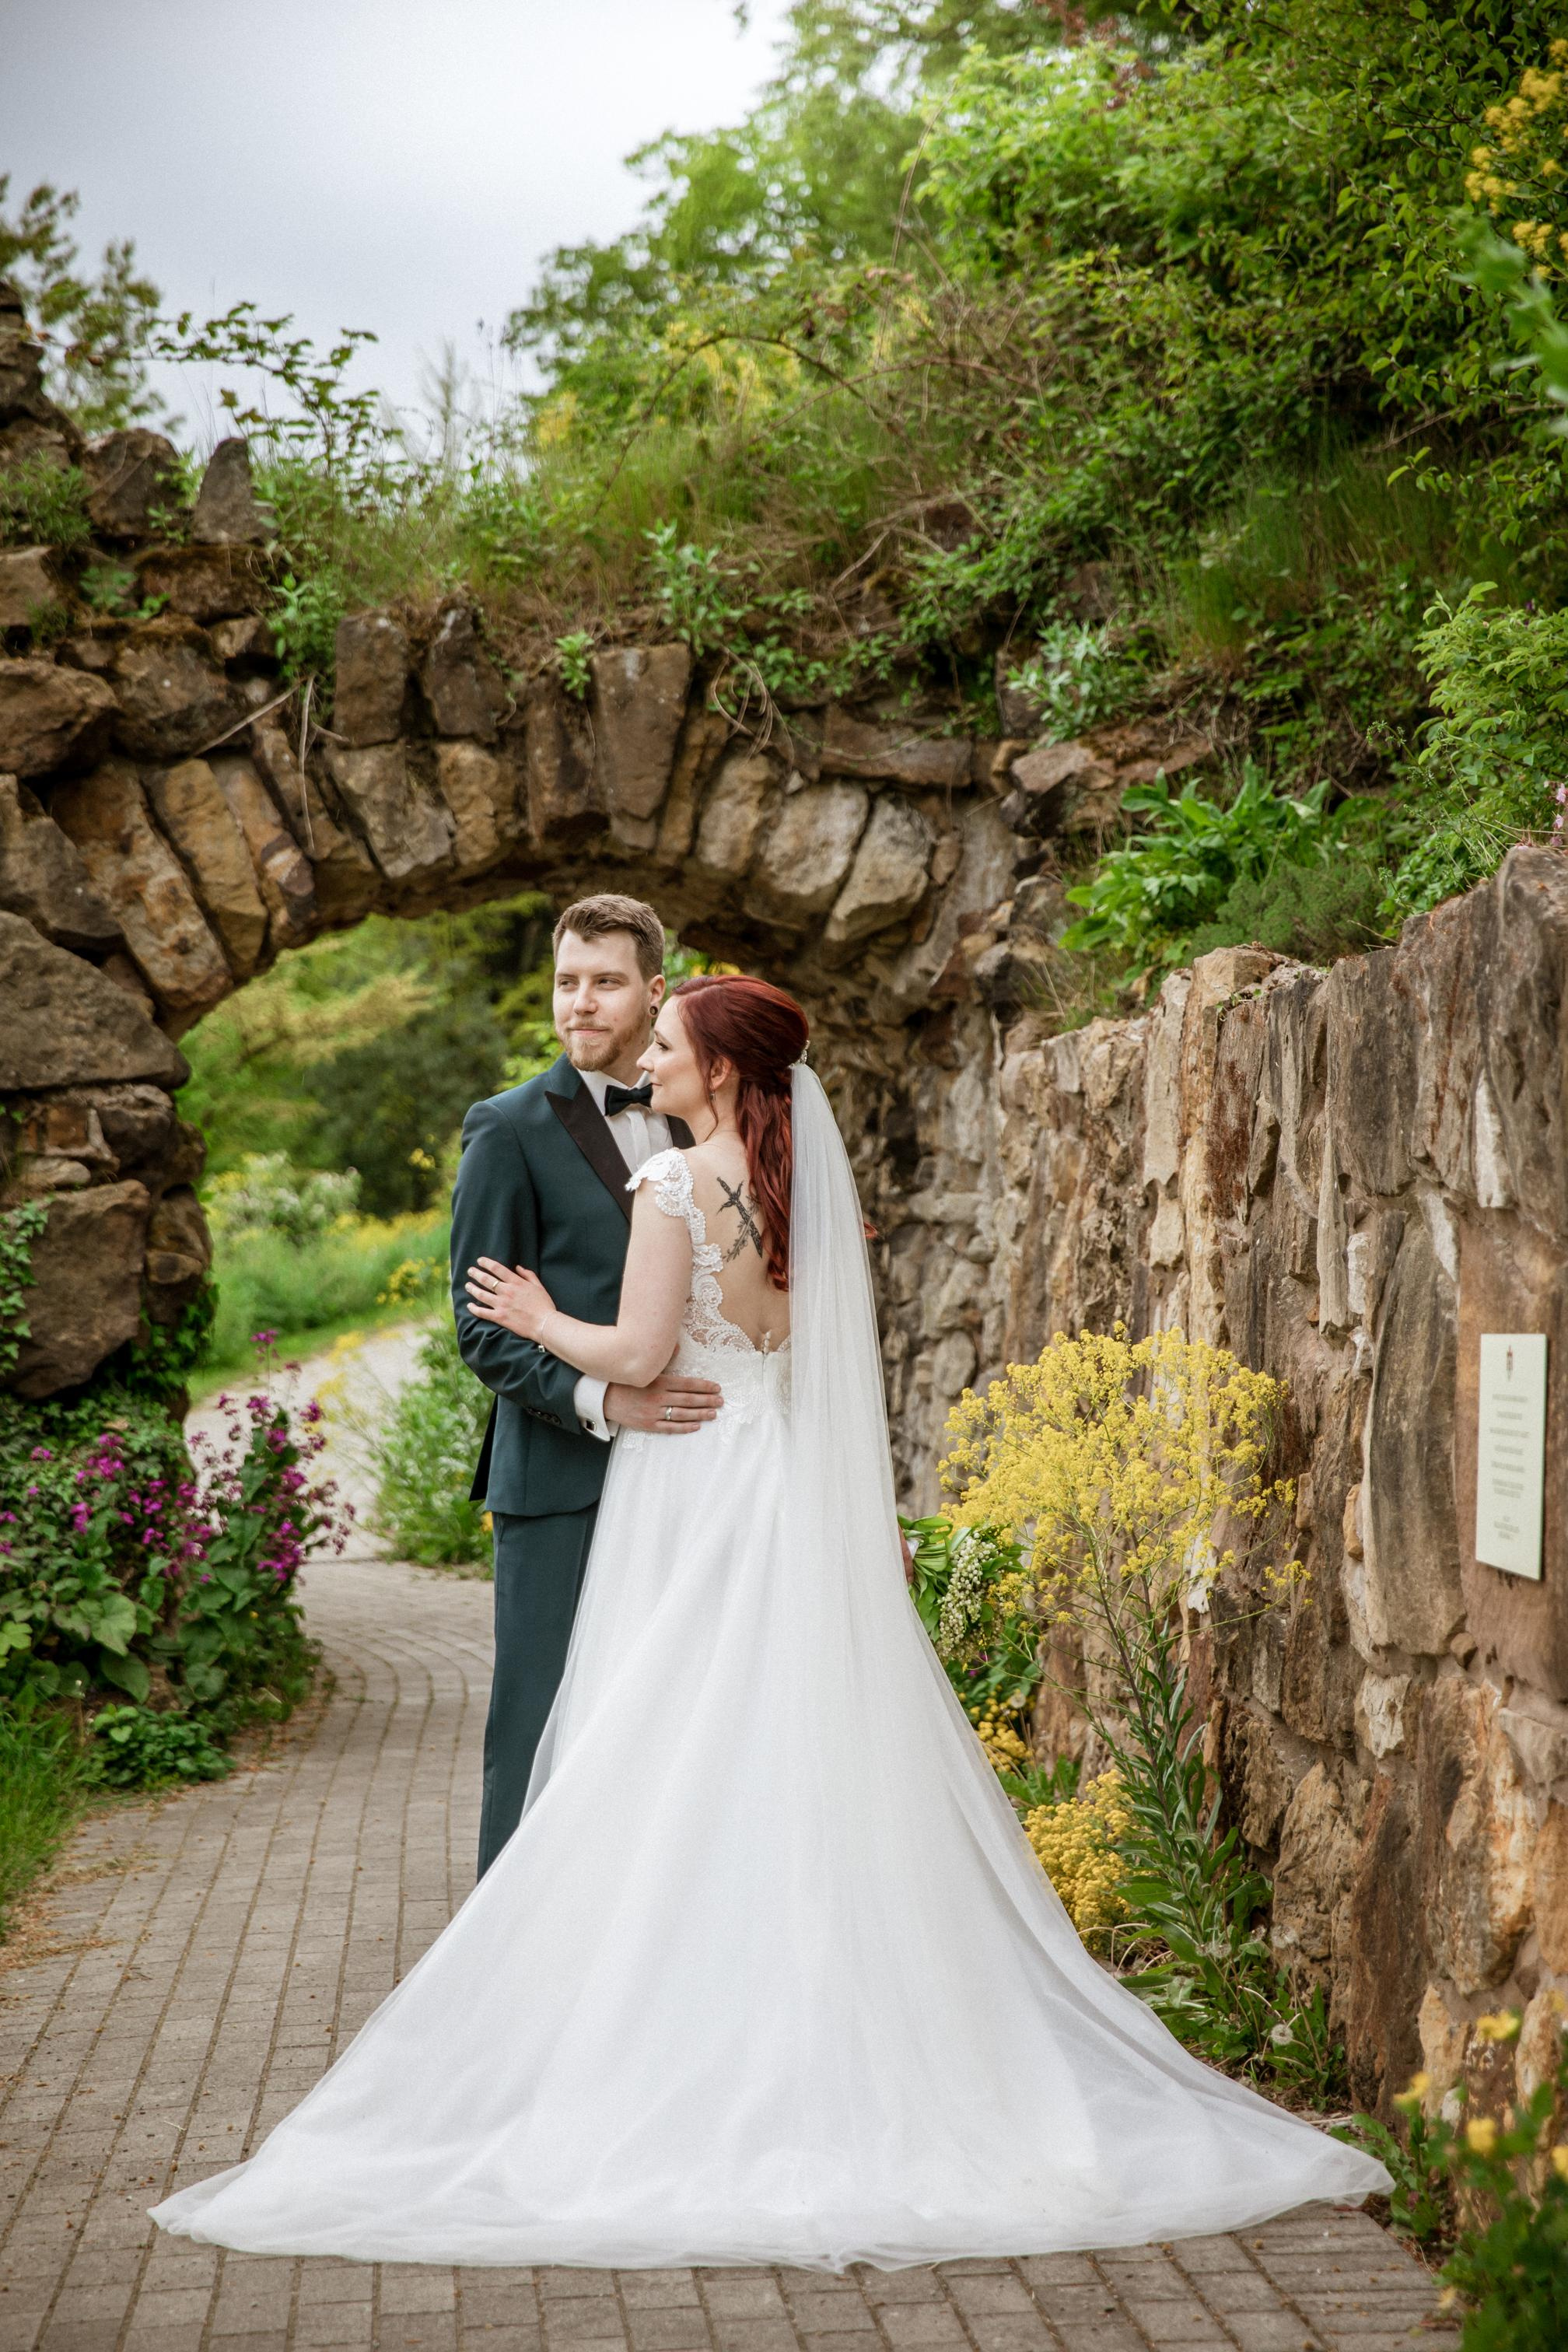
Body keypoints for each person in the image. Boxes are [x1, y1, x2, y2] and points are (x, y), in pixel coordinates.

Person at [152, 974, 1389, 2268]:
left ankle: (676, 2039)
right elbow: (783, 1349)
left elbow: (636, 1356)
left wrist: (533, 1318)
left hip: (686, 1483)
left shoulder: (676, 1182)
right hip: (780, 1481)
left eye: (671, 1047)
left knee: (660, 1742)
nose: (652, 1064)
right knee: (786, 1746)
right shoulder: (805, 1190)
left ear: (722, 1071)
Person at [446, 893, 723, 1875]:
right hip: (559, 1479)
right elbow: (483, 1329)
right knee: (536, 1725)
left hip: (699, 1474)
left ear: (655, 991)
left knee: (673, 1725)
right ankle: (499, 1974)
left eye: (606, 982)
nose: (582, 1004)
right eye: (568, 982)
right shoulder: (508, 1128)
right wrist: (610, 1402)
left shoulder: (706, 1121)